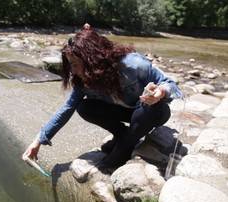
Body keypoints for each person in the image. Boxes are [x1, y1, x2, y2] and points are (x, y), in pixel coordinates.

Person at [22, 25, 182, 169]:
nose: (72, 71)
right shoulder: (83, 82)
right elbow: (66, 109)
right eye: (70, 65)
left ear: (92, 60)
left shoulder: (132, 64)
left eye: (75, 64)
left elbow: (171, 84)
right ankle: (121, 135)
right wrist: (38, 142)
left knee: (147, 110)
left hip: (152, 111)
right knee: (84, 107)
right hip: (127, 113)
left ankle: (125, 145)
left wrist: (160, 92)